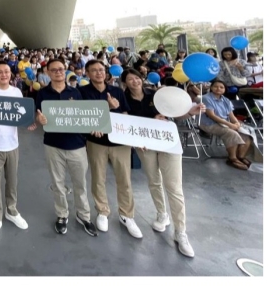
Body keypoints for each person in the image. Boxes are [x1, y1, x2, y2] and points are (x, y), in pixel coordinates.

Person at [121, 68, 203, 257]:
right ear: (125, 83)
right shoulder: (124, 99)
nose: (135, 81)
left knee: (174, 187)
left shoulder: (157, 94)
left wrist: (191, 112)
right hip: (145, 145)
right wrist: (148, 122)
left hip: (167, 142)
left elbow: (176, 114)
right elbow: (125, 124)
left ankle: (181, 232)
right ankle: (162, 214)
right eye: (130, 79)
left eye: (137, 78)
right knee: (154, 181)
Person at [79, 60, 142, 238]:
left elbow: (125, 115)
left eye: (101, 70)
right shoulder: (82, 93)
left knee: (124, 179)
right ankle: (102, 211)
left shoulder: (117, 91)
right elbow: (82, 116)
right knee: (98, 177)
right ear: (88, 73)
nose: (99, 73)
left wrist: (116, 107)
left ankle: (126, 215)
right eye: (94, 71)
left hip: (119, 142)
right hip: (96, 142)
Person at [35, 59, 98, 237]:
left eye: (61, 69)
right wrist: (40, 120)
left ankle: (84, 215)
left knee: (80, 183)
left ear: (65, 71)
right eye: (54, 70)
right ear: (47, 72)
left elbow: (86, 116)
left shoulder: (76, 93)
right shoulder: (43, 94)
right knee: (58, 183)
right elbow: (39, 115)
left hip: (76, 145)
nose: (58, 72)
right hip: (53, 145)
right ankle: (62, 215)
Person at [0, 61, 35, 241]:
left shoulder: (17, 92)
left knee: (12, 181)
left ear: (10, 74)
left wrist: (29, 122)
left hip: (12, 144)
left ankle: (11, 210)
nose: (3, 75)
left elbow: (22, 116)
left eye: (6, 72)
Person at [199, 80, 254, 171]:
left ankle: (240, 156)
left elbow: (231, 115)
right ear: (211, 88)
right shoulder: (206, 98)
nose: (218, 89)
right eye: (216, 86)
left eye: (221, 87)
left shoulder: (226, 100)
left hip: (224, 123)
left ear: (225, 89)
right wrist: (230, 125)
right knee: (232, 133)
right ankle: (232, 158)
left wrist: (236, 123)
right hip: (208, 123)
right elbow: (212, 116)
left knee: (247, 134)